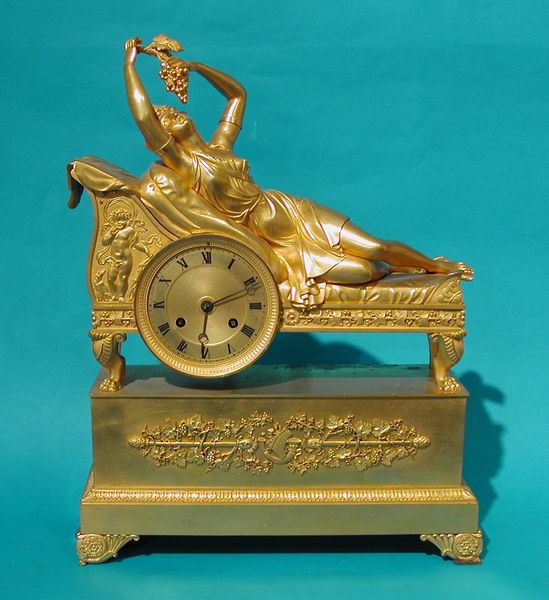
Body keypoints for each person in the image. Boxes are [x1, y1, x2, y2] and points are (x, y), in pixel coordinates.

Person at [124, 37, 472, 307]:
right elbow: (143, 117)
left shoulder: (220, 147)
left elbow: (237, 96)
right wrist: (130, 67)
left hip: (293, 211)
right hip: (280, 243)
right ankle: (405, 268)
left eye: (172, 111)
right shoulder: (185, 165)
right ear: (164, 135)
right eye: (167, 118)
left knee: (376, 246)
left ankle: (436, 266)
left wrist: (196, 67)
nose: (174, 114)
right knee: (365, 271)